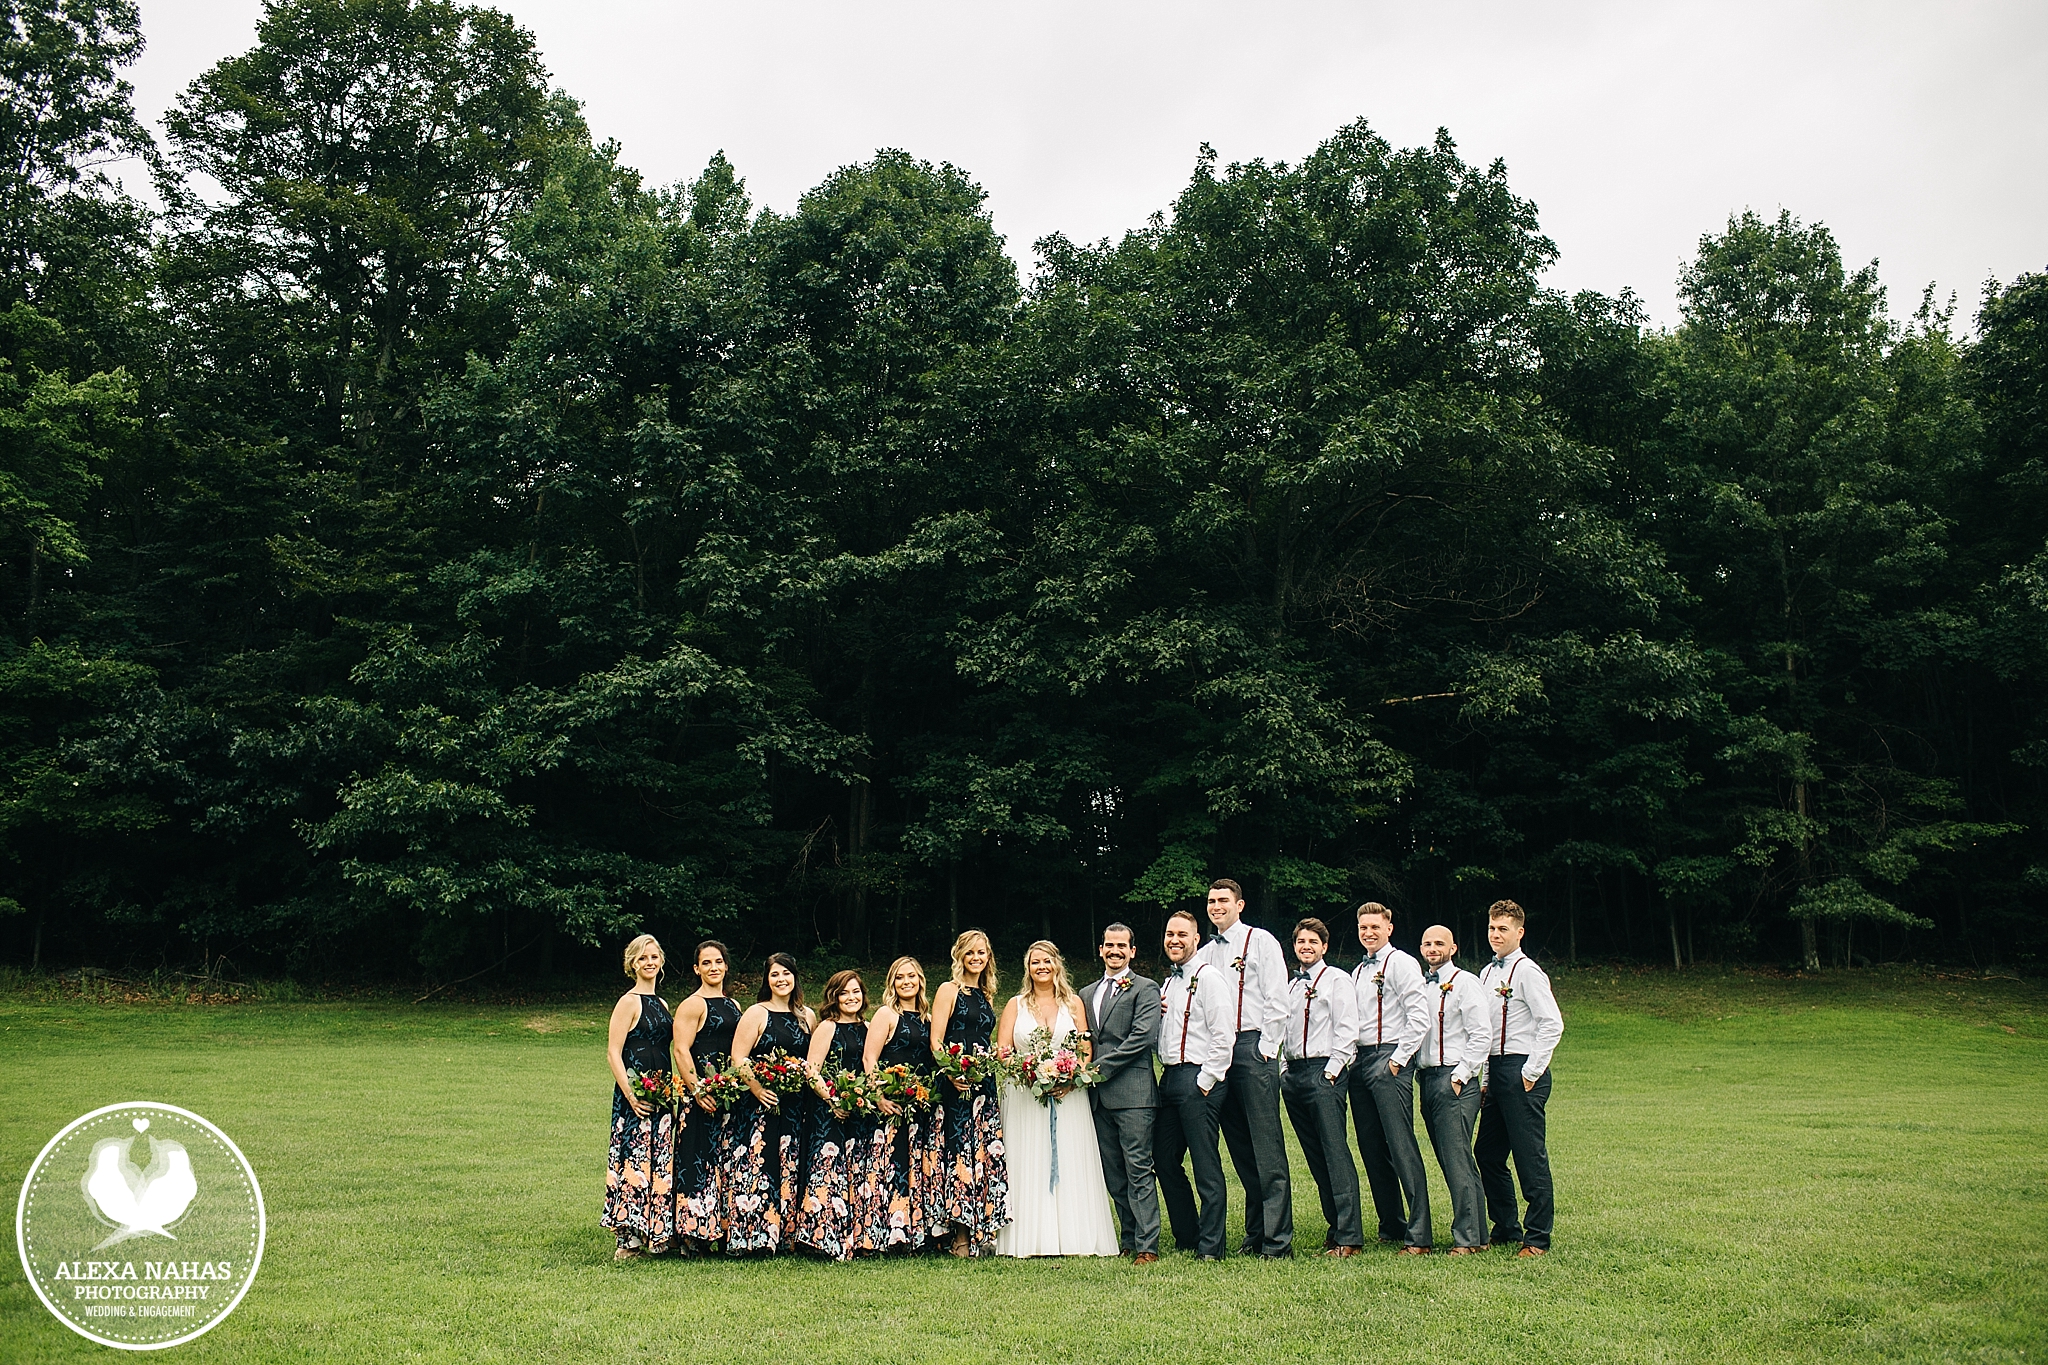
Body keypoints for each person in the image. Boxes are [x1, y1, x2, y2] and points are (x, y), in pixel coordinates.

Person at [993, 941, 1120, 1258]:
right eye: (1035, 962)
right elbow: (1003, 1051)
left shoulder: (1073, 1003)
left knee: (1069, 1157)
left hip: (1068, 1096)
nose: (1041, 967)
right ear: (1028, 968)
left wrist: (1070, 1076)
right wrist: (1028, 1072)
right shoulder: (1015, 1005)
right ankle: (1029, 1237)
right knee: (1028, 1161)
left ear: (1057, 965)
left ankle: (1073, 1236)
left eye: (1046, 961)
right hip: (1025, 1097)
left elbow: (1085, 1049)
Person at [1196, 878, 1293, 1258]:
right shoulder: (1204, 953)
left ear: (1239, 905)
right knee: (1240, 1146)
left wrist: (1267, 1047)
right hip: (1218, 1051)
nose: (1216, 906)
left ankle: (1278, 1241)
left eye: (1223, 900)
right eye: (1211, 901)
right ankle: (1256, 1234)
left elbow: (1277, 995)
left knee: (1267, 1148)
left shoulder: (1261, 941)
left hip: (1253, 1047)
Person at [1476, 899, 1564, 1257]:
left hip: (1521, 1069)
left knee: (1529, 1157)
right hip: (1495, 1070)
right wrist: (1485, 1078)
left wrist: (1531, 1071)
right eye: (1492, 928)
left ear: (1519, 932)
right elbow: (1485, 1030)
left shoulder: (1528, 972)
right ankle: (1506, 1226)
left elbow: (1551, 1024)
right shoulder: (1486, 973)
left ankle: (1538, 1237)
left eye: (1503, 929)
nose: (1496, 935)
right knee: (1487, 1153)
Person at [1349, 900, 1432, 1252]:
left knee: (1401, 1146)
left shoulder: (1402, 963)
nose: (1369, 933)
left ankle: (1420, 1235)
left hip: (1389, 1057)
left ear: (1389, 929)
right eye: (1363, 927)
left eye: (1375, 927)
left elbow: (1419, 1016)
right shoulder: (1357, 971)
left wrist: (1398, 1061)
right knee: (1371, 1147)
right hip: (1361, 1060)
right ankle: (1392, 1224)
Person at [1280, 917, 1364, 1256]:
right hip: (1294, 1075)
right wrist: (1284, 1069)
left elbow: (1347, 1029)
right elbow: (1282, 1029)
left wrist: (1330, 1072)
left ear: (1324, 946)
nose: (1306, 947)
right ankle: (1335, 1227)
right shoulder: (1290, 986)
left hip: (1324, 1071)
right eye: (1301, 941)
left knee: (1334, 1152)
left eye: (1313, 942)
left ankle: (1350, 1236)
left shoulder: (1337, 980)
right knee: (1315, 1156)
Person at [1155, 908, 1234, 1261]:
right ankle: (1188, 1234)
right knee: (1163, 1158)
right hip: (1170, 1077)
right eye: (1170, 934)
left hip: (1198, 1078)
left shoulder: (1210, 978)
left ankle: (1212, 1247)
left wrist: (1206, 1080)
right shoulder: (1169, 983)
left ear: (1196, 939)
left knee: (1205, 1164)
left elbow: (1224, 1033)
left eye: (1182, 935)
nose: (1174, 940)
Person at [1083, 922, 1162, 1263]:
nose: (1115, 951)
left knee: (1138, 1168)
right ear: (1101, 949)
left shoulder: (1146, 988)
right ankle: (1128, 1238)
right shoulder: (1086, 993)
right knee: (1114, 1173)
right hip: (1098, 1099)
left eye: (1121, 946)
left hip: (1133, 1096)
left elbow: (1141, 1038)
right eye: (1109, 945)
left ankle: (1147, 1245)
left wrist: (1097, 1070)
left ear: (1132, 951)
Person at [792, 970, 885, 1260]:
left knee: (859, 1171)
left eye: (856, 991)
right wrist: (833, 1099)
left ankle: (861, 1239)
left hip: (861, 1111)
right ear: (834, 997)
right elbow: (811, 1070)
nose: (851, 997)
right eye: (844, 992)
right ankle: (824, 1239)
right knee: (830, 1172)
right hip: (830, 1111)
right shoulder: (827, 1027)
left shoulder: (869, 1027)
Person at [929, 930, 1010, 1256]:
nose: (976, 958)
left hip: (983, 1085)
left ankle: (981, 1230)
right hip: (956, 1085)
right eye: (971, 952)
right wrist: (951, 1072)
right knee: (960, 1154)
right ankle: (959, 1237)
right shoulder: (949, 990)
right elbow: (936, 1040)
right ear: (960, 956)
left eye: (982, 952)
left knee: (982, 1155)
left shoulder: (986, 995)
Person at [725, 954, 813, 1254]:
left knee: (791, 1165)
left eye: (786, 973)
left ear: (795, 977)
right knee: (761, 1165)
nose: (781, 979)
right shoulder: (757, 1013)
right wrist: (758, 1089)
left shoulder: (806, 1016)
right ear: (767, 980)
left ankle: (787, 1234)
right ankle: (755, 1235)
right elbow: (738, 1057)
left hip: (796, 1105)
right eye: (775, 974)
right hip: (761, 1105)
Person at [1415, 923, 1491, 1254]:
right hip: (1427, 1079)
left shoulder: (1465, 983)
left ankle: (1467, 1238)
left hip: (1454, 1079)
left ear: (1453, 948)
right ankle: (1479, 1236)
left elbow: (1481, 1034)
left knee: (1457, 1159)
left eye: (1439, 943)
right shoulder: (1421, 986)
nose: (1433, 949)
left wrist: (1461, 1075)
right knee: (1451, 1160)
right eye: (1427, 944)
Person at [602, 933, 677, 1259]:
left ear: (661, 961)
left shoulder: (662, 1004)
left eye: (654, 956)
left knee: (658, 1161)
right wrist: (630, 1095)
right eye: (642, 957)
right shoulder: (628, 1002)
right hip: (635, 1096)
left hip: (661, 1094)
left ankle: (656, 1232)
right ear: (632, 963)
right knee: (634, 1160)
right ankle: (628, 1242)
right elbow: (613, 1052)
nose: (649, 962)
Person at [863, 955, 945, 1251]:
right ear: (892, 983)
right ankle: (886, 1234)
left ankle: (918, 1234)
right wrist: (879, 1096)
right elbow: (869, 1058)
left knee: (919, 1168)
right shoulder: (886, 1015)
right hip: (892, 1104)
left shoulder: (928, 1019)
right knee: (890, 1167)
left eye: (911, 976)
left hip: (921, 1106)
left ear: (920, 981)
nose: (906, 982)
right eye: (900, 977)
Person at [672, 939, 742, 1249]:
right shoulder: (693, 1004)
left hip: (728, 1094)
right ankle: (692, 1233)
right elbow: (681, 1050)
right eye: (706, 963)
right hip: (701, 1094)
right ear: (696, 969)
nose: (713, 967)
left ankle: (722, 1229)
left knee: (724, 1162)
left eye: (718, 962)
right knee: (697, 1159)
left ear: (726, 966)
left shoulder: (733, 1004)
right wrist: (697, 1089)